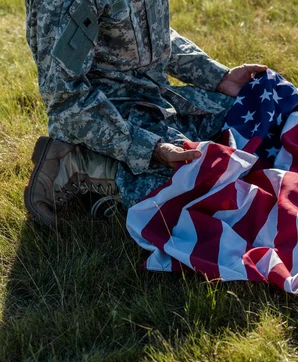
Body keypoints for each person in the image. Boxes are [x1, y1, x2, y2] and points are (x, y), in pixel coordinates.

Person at [24, 0, 267, 226]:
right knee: (203, 188)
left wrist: (219, 77)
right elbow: (64, 97)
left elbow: (156, 37)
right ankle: (77, 163)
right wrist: (149, 149)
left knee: (256, 115)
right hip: (101, 118)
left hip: (153, 101)